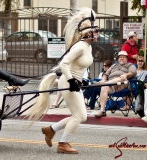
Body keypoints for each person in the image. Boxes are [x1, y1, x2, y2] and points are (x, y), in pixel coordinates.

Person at [26, 7, 99, 154]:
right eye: (95, 31)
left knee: (81, 116)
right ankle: (63, 144)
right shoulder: (80, 46)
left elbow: (78, 66)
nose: (98, 33)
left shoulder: (88, 46)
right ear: (88, 33)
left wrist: (81, 80)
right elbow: (63, 63)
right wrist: (72, 80)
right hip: (68, 82)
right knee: (79, 116)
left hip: (74, 82)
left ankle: (51, 129)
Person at [95, 51, 137, 118]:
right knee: (104, 87)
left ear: (127, 59)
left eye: (123, 57)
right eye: (120, 57)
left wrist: (126, 74)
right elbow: (106, 74)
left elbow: (133, 73)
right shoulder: (113, 66)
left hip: (123, 85)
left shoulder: (130, 65)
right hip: (112, 86)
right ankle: (102, 111)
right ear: (118, 59)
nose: (122, 58)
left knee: (121, 78)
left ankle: (106, 83)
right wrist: (103, 80)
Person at [133, 56, 147, 123]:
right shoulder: (133, 71)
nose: (140, 62)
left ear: (143, 62)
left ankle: (139, 110)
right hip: (132, 87)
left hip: (140, 88)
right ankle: (141, 113)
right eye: (139, 61)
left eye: (142, 61)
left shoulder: (145, 72)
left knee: (139, 89)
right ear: (137, 62)